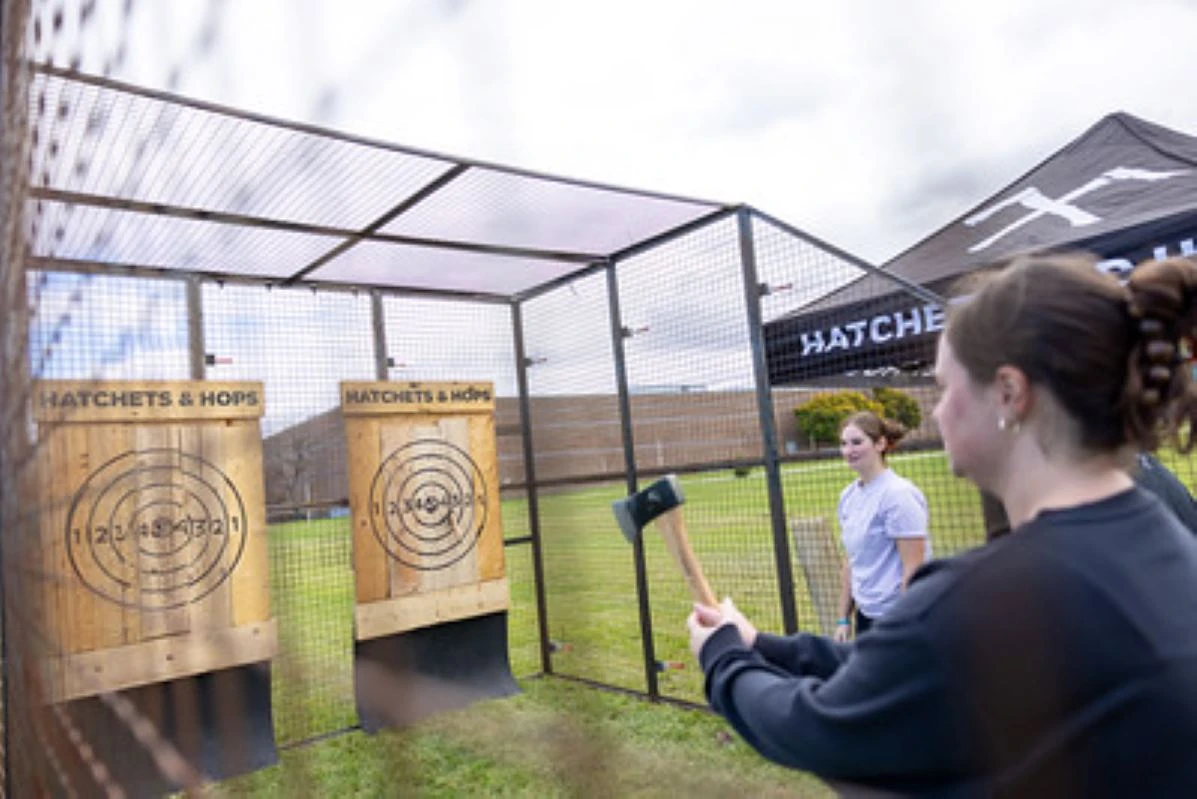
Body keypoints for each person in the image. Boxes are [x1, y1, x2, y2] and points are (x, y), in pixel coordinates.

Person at [687, 254, 1197, 796]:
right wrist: (760, 643)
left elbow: (817, 728)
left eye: (945, 388)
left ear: (1008, 394)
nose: (937, 413)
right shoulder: (1171, 546)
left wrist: (722, 657)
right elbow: (909, 662)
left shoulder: (990, 596)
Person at [833, 411, 930, 641]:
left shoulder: (898, 495)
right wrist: (843, 619)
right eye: (844, 444)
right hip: (866, 617)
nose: (849, 450)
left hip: (897, 618)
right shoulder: (848, 496)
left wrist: (905, 625)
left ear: (880, 444)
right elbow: (851, 561)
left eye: (857, 442)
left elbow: (913, 568)